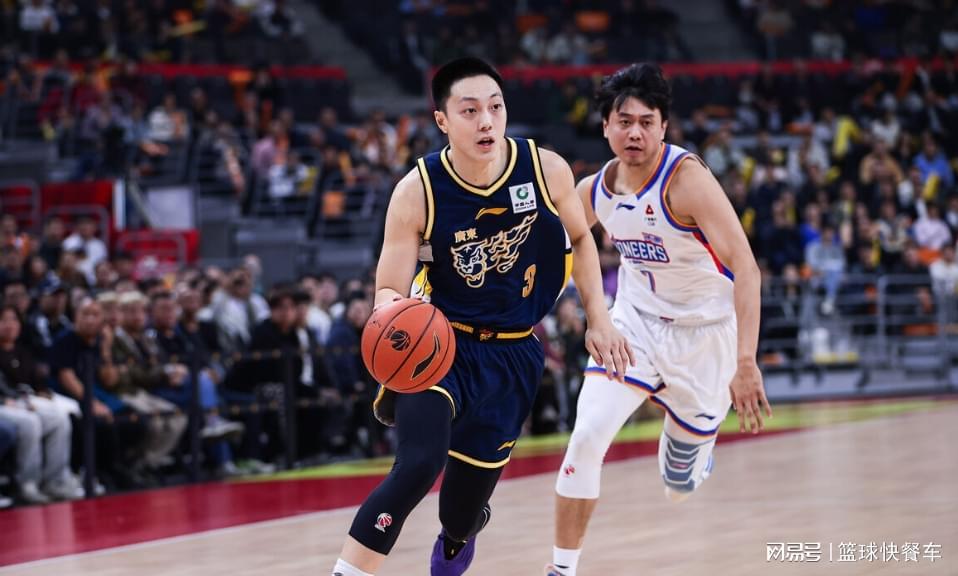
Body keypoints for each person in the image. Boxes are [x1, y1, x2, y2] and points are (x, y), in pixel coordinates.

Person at [330, 57, 632, 576]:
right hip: (438, 344)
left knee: (460, 515)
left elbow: (582, 239)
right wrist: (390, 314)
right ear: (442, 120)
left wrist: (598, 319)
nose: (486, 121)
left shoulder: (546, 169)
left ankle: (459, 534)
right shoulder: (418, 190)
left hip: (513, 353)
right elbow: (388, 288)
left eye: (495, 107)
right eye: (469, 111)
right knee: (418, 465)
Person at [545, 64, 772, 576]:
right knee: (587, 436)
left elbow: (747, 268)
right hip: (635, 325)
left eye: (647, 122)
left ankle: (693, 450)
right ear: (605, 126)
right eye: (624, 122)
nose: (635, 133)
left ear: (664, 127)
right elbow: (553, 249)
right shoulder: (594, 190)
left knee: (678, 486)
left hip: (706, 336)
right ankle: (561, 569)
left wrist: (745, 362)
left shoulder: (687, 181)